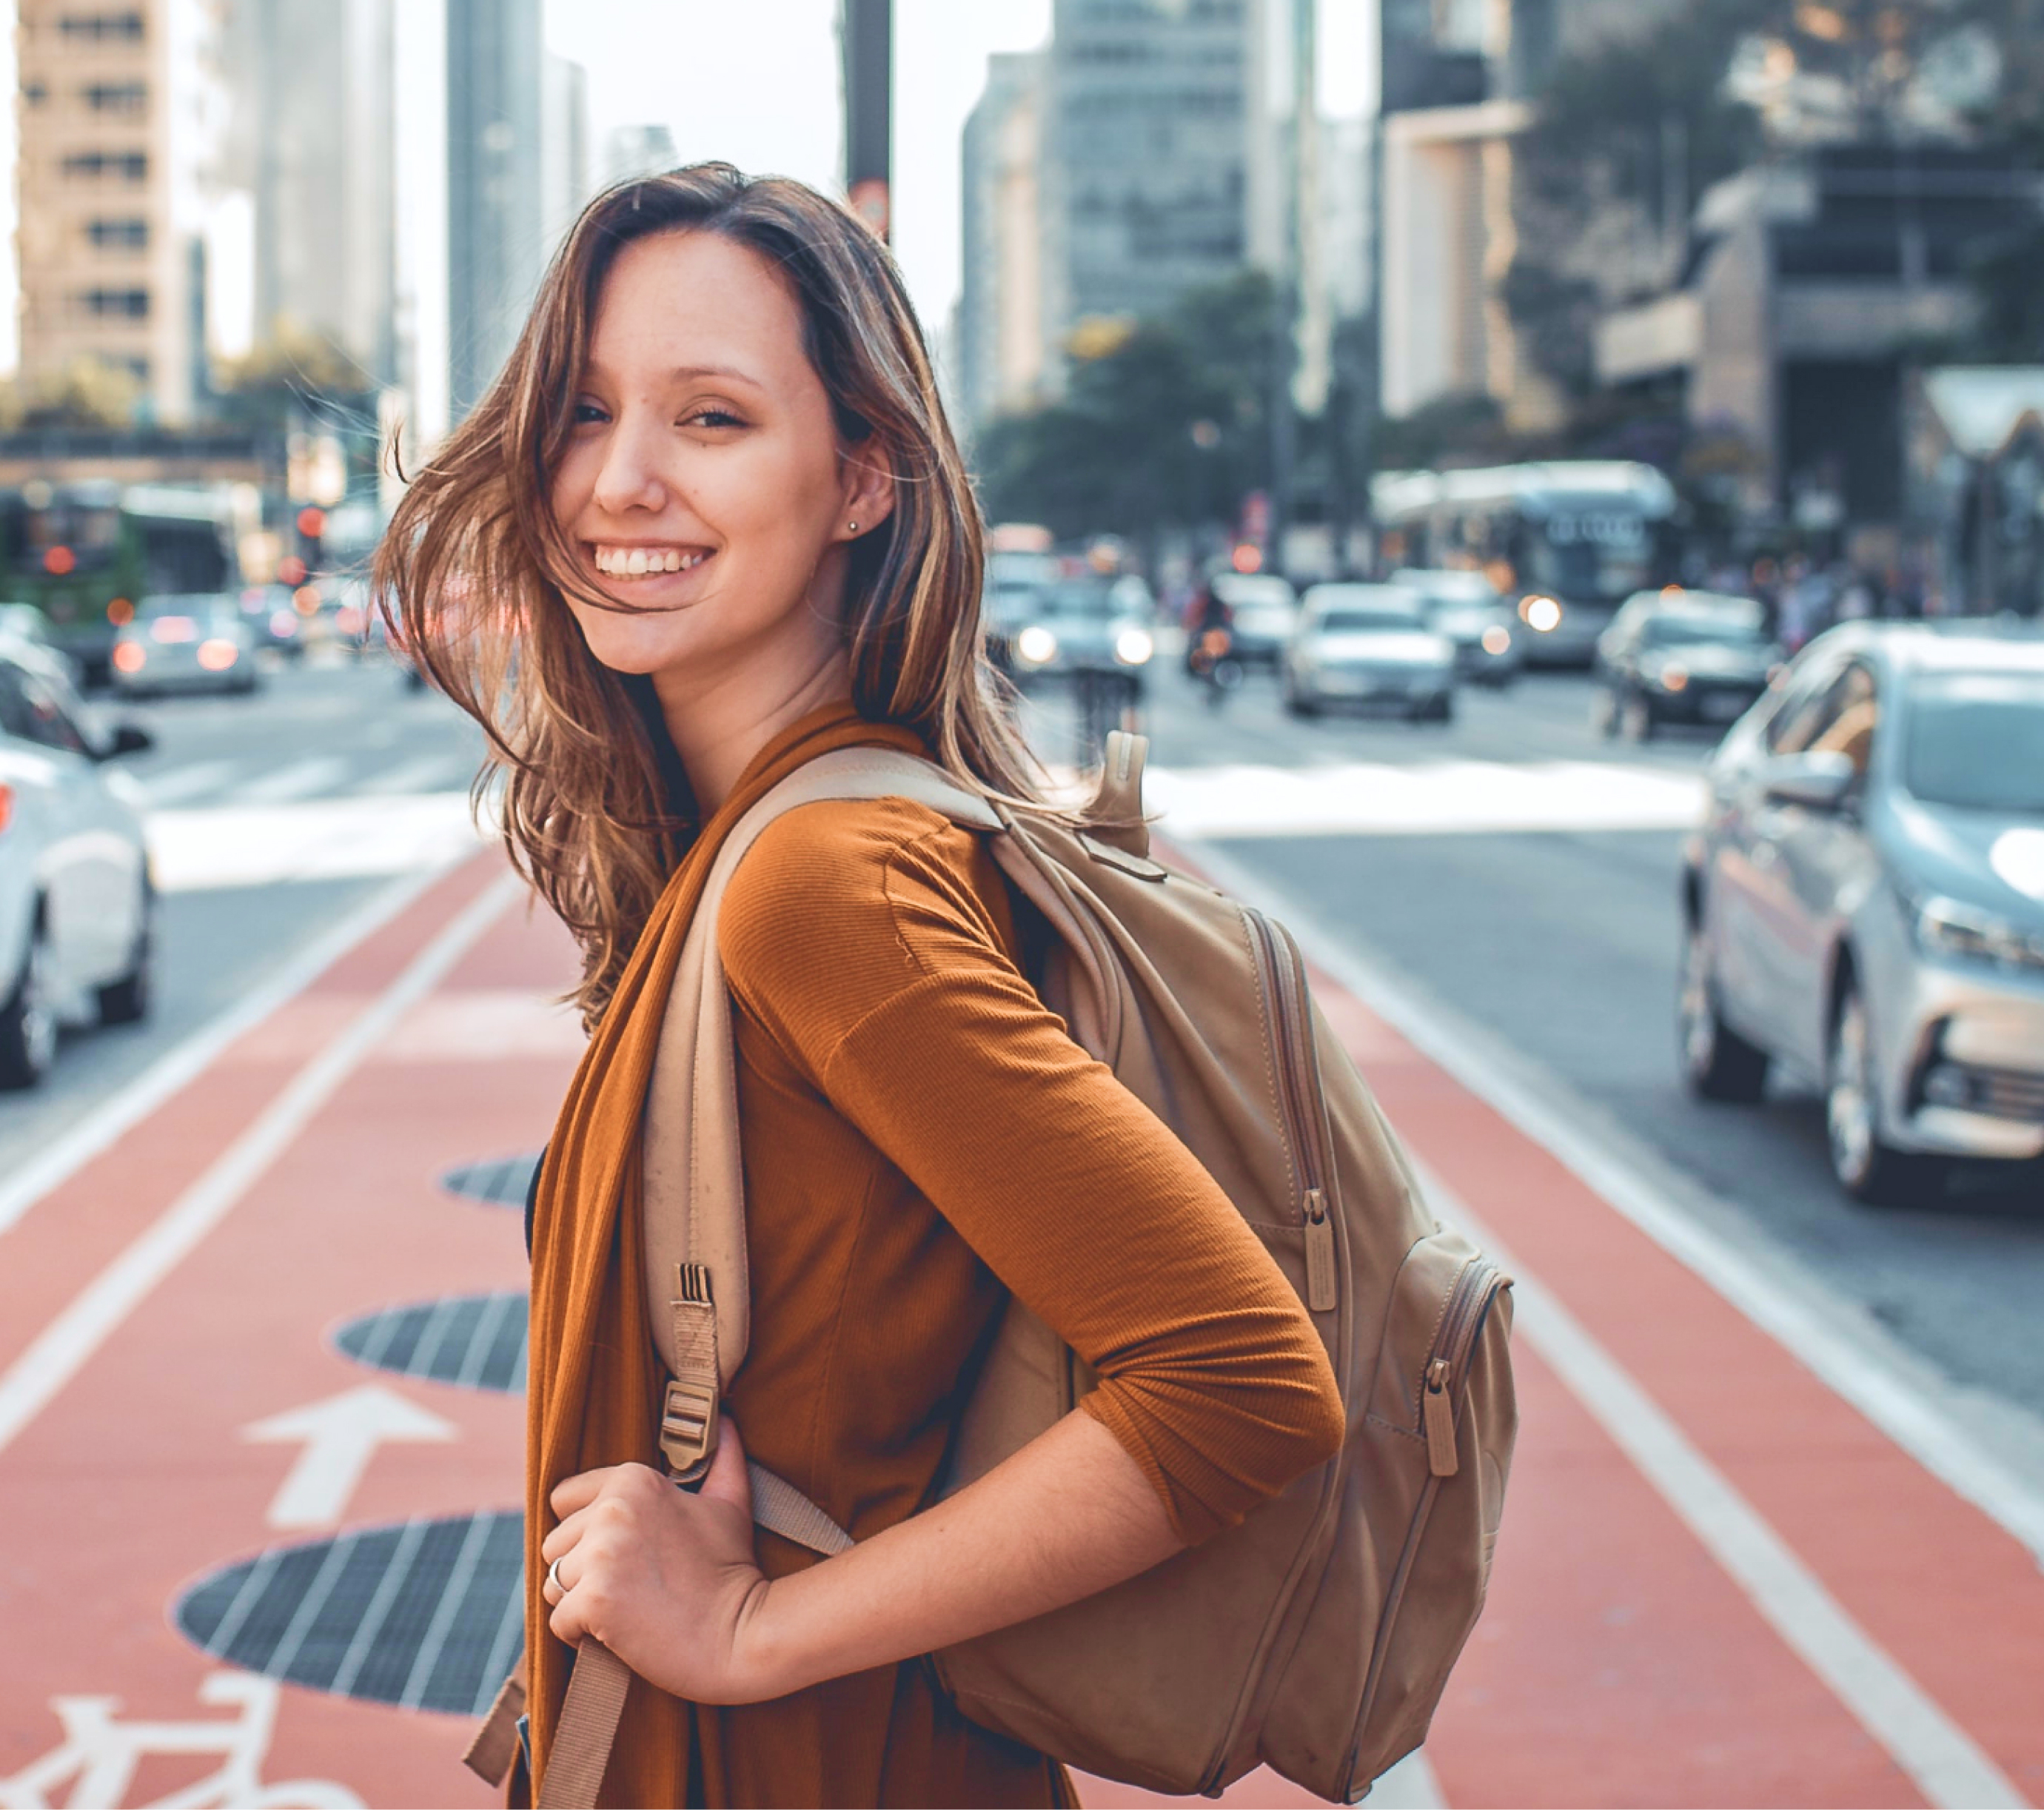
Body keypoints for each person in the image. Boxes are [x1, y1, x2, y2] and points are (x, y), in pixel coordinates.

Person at [383, 165, 1344, 1808]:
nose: (618, 480)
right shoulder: (768, 840)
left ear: (860, 479)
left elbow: (1237, 1381)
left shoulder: (825, 885)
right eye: (586, 408)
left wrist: (751, 1630)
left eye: (711, 420)